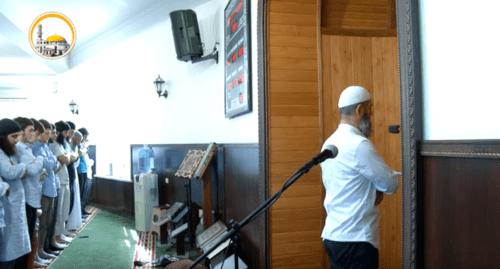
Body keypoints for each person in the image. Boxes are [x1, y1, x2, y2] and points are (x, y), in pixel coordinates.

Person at [320, 86, 400, 269]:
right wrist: (378, 187)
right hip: (356, 240)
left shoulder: (329, 142)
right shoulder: (359, 145)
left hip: (333, 236)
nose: (371, 118)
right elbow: (390, 184)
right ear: (359, 110)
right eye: (370, 110)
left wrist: (373, 188)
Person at [13, 117, 46, 268]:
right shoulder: (19, 148)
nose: (34, 134)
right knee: (23, 241)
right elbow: (33, 170)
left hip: (31, 198)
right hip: (26, 199)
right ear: (21, 132)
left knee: (29, 238)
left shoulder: (27, 148)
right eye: (31, 130)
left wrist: (37, 164)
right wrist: (39, 159)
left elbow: (39, 170)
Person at [0, 119, 29, 269]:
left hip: (15, 204)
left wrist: (19, 168)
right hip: (7, 208)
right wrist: (22, 167)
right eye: (13, 136)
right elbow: (10, 172)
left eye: (18, 136)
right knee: (8, 254)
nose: (17, 140)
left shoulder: (8, 152)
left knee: (16, 251)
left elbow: (21, 173)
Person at [32, 119, 60, 261]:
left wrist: (52, 161)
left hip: (51, 187)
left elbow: (53, 165)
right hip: (42, 190)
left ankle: (42, 249)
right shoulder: (35, 147)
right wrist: (52, 160)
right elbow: (49, 164)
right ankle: (37, 253)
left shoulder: (45, 147)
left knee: (47, 222)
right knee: (41, 223)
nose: (49, 136)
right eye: (46, 133)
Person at [49, 121, 75, 247]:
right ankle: (56, 237)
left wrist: (68, 156)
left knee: (64, 209)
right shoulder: (53, 145)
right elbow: (66, 159)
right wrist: (68, 156)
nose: (66, 135)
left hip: (65, 179)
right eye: (64, 132)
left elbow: (68, 158)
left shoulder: (61, 144)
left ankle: (61, 233)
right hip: (58, 181)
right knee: (58, 212)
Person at [66, 131, 82, 230]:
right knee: (68, 202)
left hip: (73, 173)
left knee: (73, 200)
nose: (79, 141)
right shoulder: (68, 146)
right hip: (68, 175)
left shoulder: (75, 147)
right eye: (79, 139)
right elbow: (70, 159)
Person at [77, 127, 93, 217]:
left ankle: (82, 210)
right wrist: (85, 148)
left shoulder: (83, 146)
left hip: (85, 171)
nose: (85, 140)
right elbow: (80, 154)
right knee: (80, 193)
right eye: (85, 137)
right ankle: (79, 213)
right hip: (80, 171)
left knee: (84, 193)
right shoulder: (79, 145)